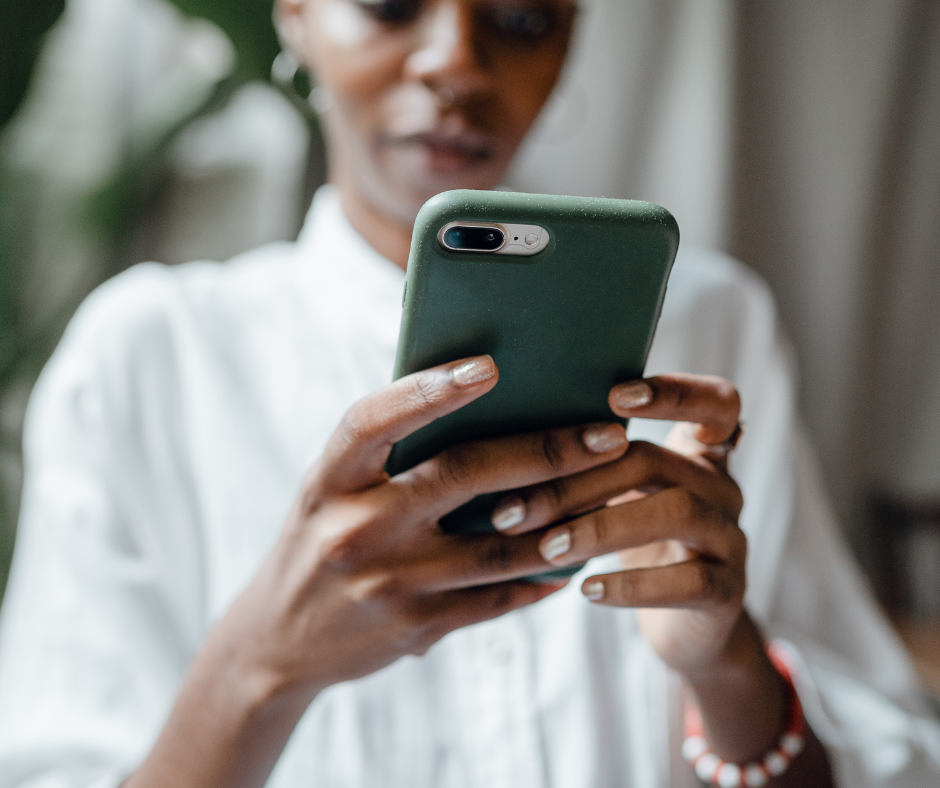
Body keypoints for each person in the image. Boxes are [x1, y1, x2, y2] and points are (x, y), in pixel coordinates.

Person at [0, 1, 938, 786]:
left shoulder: (708, 330)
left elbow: (882, 757)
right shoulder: (149, 357)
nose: (457, 60)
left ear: (570, 40)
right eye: (390, 2)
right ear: (295, 13)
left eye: (522, 17)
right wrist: (263, 663)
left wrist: (725, 665)